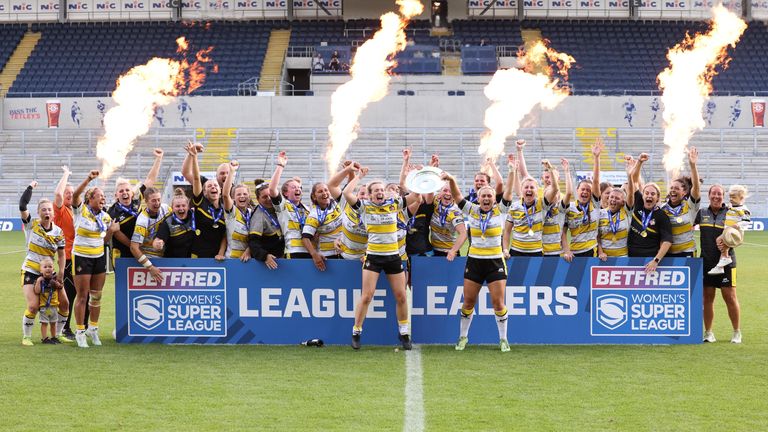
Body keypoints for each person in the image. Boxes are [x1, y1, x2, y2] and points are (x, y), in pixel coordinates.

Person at [342, 166, 421, 350]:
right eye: (376, 190)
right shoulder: (364, 206)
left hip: (394, 256)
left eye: (382, 190)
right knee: (367, 296)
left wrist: (415, 176)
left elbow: (416, 197)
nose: (380, 192)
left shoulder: (393, 203)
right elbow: (346, 192)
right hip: (373, 257)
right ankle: (356, 331)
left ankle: (403, 333)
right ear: (369, 195)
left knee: (401, 296)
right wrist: (359, 177)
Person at [442, 167, 514, 352]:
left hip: (495, 262)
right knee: (468, 302)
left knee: (498, 303)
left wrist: (512, 171)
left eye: (490, 196)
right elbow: (457, 196)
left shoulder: (501, 210)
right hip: (474, 262)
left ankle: (504, 339)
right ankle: (463, 337)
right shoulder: (471, 210)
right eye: (483, 196)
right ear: (478, 197)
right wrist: (451, 179)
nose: (487, 199)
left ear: (493, 198)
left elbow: (508, 190)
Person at [71, 170, 118, 348]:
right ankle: (80, 331)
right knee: (82, 296)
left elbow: (103, 240)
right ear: (90, 199)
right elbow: (75, 195)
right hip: (82, 257)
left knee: (96, 296)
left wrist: (112, 231)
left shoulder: (105, 217)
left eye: (104, 196)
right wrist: (88, 178)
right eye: (99, 196)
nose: (103, 198)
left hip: (99, 256)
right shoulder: (80, 211)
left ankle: (93, 329)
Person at [19, 181, 67, 346]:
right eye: (44, 209)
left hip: (49, 273)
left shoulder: (58, 232)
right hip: (31, 271)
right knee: (33, 306)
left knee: (65, 303)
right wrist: (30, 187)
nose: (47, 212)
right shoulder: (32, 224)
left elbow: (61, 254)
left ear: (53, 213)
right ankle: (27, 337)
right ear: (39, 212)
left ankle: (58, 334)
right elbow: (22, 204)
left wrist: (61, 272)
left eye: (49, 209)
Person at [696, 184, 742, 343]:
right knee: (707, 298)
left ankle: (737, 332)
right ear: (708, 195)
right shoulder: (701, 213)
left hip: (727, 263)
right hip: (707, 263)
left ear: (723, 197)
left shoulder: (731, 212)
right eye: (713, 194)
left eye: (719, 194)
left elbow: (739, 236)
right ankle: (708, 333)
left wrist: (731, 243)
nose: (716, 197)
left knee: (730, 297)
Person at [107, 148, 163, 267]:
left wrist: (158, 159)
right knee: (124, 284)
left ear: (132, 193)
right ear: (116, 195)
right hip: (124, 252)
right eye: (121, 191)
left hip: (140, 249)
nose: (124, 192)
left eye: (127, 190)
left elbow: (150, 180)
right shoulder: (112, 212)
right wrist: (137, 248)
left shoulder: (137, 201)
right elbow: (118, 234)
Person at [302, 162, 358, 270]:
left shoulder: (337, 202)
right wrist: (314, 255)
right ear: (314, 197)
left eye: (326, 190)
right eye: (320, 191)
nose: (325, 193)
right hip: (328, 257)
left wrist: (351, 171)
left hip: (345, 253)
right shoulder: (314, 215)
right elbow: (305, 238)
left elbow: (349, 189)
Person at [503, 154, 559, 257]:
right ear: (521, 190)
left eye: (532, 187)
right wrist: (506, 249)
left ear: (537, 191)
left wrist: (550, 169)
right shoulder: (514, 207)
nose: (529, 189)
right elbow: (507, 231)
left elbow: (555, 189)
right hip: (516, 251)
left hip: (536, 251)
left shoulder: (542, 204)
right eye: (526, 187)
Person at [625, 153, 672, 272]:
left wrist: (656, 260)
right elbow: (634, 182)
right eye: (646, 193)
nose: (649, 196)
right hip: (630, 258)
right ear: (643, 195)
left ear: (657, 198)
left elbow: (667, 241)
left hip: (650, 261)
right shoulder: (639, 204)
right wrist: (639, 162)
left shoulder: (662, 216)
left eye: (652, 194)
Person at [563, 138, 603, 261]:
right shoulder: (569, 207)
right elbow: (563, 232)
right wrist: (567, 251)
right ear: (577, 190)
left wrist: (596, 158)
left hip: (593, 252)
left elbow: (596, 181)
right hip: (574, 253)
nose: (585, 192)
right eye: (583, 189)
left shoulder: (595, 204)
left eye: (588, 190)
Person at [185, 142, 227, 259]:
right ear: (203, 192)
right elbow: (196, 178)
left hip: (217, 258)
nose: (213, 187)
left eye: (215, 185)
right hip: (197, 256)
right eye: (209, 186)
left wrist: (220, 253)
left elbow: (225, 235)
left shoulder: (226, 208)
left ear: (220, 190)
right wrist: (194, 156)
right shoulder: (201, 202)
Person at [268, 151, 311, 258]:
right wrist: (280, 166)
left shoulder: (307, 209)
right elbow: (272, 189)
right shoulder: (283, 205)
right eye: (293, 187)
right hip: (293, 251)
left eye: (299, 187)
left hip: (310, 251)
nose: (297, 189)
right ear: (286, 193)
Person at [660, 146, 701, 258]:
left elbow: (696, 188)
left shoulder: (690, 206)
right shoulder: (662, 209)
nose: (673, 190)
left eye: (677, 188)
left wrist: (693, 165)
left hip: (687, 252)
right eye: (671, 188)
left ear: (684, 192)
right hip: (667, 253)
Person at [53, 166, 77, 339]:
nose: (69, 195)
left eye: (72, 192)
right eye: (67, 192)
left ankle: (77, 327)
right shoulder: (61, 211)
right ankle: (64, 328)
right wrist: (66, 174)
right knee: (69, 293)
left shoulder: (75, 210)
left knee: (80, 293)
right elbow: (58, 195)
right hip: (68, 257)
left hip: (81, 256)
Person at [130, 187, 170, 284]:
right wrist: (150, 267)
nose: (157, 203)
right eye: (153, 201)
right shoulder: (142, 220)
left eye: (158, 200)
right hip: (150, 259)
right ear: (146, 201)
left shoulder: (166, 209)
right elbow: (133, 248)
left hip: (166, 256)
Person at [708, 184, 750, 275]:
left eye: (734, 197)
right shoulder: (730, 206)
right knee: (720, 241)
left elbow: (747, 221)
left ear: (741, 197)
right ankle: (722, 264)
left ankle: (724, 260)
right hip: (727, 230)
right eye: (730, 197)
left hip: (734, 232)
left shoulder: (743, 209)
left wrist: (737, 225)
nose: (731, 199)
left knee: (723, 242)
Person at [249, 180, 285, 270]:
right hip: (270, 264)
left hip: (284, 258)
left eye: (270, 195)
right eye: (264, 197)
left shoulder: (279, 207)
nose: (269, 199)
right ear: (258, 199)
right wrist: (265, 256)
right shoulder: (258, 216)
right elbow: (253, 242)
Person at [222, 162, 253, 261]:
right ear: (233, 198)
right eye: (238, 194)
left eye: (244, 194)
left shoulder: (253, 213)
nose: (242, 196)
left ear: (249, 196)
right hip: (232, 260)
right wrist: (231, 172)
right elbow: (225, 195)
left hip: (251, 260)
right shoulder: (231, 212)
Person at [428, 182, 467, 259]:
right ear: (440, 193)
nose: (448, 193)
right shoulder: (436, 200)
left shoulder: (455, 212)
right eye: (445, 190)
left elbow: (463, 233)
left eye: (451, 191)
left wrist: (453, 251)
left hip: (448, 252)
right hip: (434, 250)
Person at [34, 258, 65, 344]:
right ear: (41, 270)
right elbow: (37, 291)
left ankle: (54, 337)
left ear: (53, 269)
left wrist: (58, 284)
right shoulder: (40, 280)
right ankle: (44, 338)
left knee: (53, 323)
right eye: (45, 267)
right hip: (45, 307)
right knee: (44, 323)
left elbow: (60, 287)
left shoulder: (54, 279)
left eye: (50, 267)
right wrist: (38, 282)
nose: (48, 268)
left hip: (54, 306)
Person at [156, 189, 196, 258]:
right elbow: (158, 240)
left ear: (188, 206)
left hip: (194, 260)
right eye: (177, 206)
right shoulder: (168, 222)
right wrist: (158, 244)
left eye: (184, 205)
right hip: (173, 261)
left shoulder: (194, 216)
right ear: (172, 208)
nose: (181, 208)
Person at [337, 180, 369, 261]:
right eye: (362, 194)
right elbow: (344, 192)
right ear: (356, 195)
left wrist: (369, 255)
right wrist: (338, 239)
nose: (365, 196)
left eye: (368, 194)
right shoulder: (347, 205)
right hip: (344, 256)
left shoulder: (376, 213)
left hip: (365, 259)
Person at [597, 188, 631, 259]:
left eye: (617, 198)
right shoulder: (600, 213)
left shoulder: (626, 212)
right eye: (611, 197)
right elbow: (597, 236)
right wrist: (600, 252)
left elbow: (631, 196)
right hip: (604, 257)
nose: (613, 200)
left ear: (623, 202)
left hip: (622, 257)